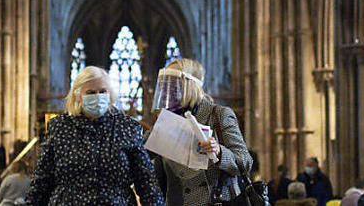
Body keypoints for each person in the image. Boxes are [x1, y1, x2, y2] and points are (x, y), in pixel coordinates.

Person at [26, 66, 164, 205]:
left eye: (102, 91)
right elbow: (42, 181)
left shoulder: (127, 127)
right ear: (77, 95)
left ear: (110, 94)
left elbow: (146, 181)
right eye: (91, 92)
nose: (97, 96)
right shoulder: (59, 127)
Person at [149, 59, 252, 205]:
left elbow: (245, 161)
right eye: (165, 82)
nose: (167, 89)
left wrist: (219, 152)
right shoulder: (167, 121)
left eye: (173, 82)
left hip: (215, 201)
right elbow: (141, 151)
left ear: (190, 84)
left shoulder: (219, 114)